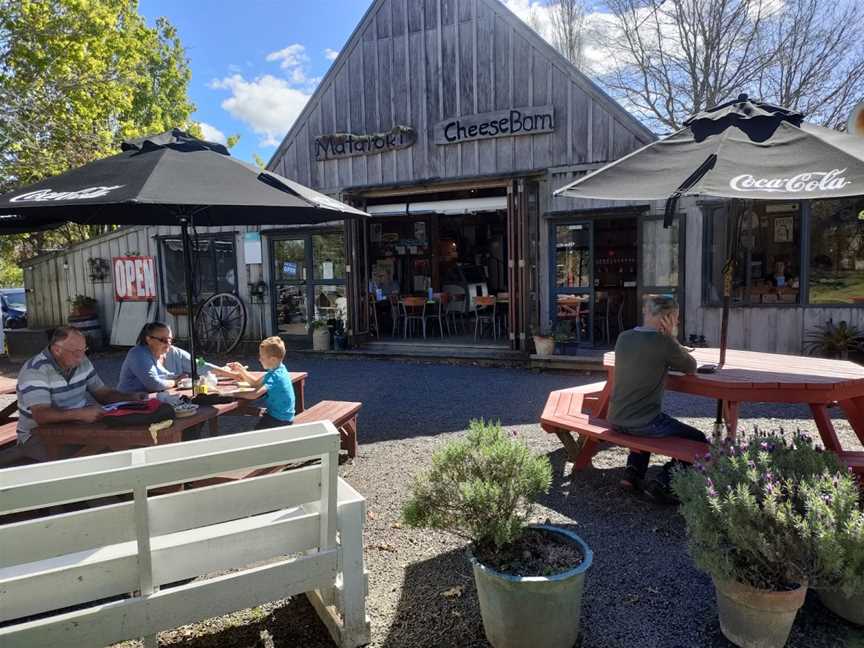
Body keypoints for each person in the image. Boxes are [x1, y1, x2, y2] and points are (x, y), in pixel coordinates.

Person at [607, 294, 707, 503]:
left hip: (616, 418)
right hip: (644, 423)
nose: (677, 322)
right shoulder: (664, 343)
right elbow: (691, 366)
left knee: (646, 414)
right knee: (698, 439)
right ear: (667, 317)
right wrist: (671, 337)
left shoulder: (623, 337)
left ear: (647, 313)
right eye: (676, 317)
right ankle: (664, 482)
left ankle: (632, 473)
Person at [16, 326, 149, 460]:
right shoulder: (35, 371)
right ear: (57, 350)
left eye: (84, 350)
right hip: (38, 437)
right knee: (101, 456)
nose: (81, 356)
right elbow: (42, 415)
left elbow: (103, 393)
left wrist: (131, 398)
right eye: (75, 352)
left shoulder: (82, 361)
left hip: (76, 429)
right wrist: (79, 414)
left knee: (126, 447)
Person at [117, 322, 230, 393]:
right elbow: (154, 385)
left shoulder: (174, 352)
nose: (168, 343)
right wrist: (176, 381)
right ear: (148, 339)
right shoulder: (137, 353)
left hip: (160, 399)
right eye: (163, 340)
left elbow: (199, 363)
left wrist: (229, 373)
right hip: (130, 402)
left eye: (170, 339)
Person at [226, 336, 295, 430]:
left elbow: (254, 394)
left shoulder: (275, 376)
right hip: (283, 416)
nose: (259, 359)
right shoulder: (278, 369)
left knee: (256, 435)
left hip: (279, 419)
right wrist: (241, 370)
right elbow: (255, 383)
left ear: (273, 359)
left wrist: (229, 394)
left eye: (262, 357)